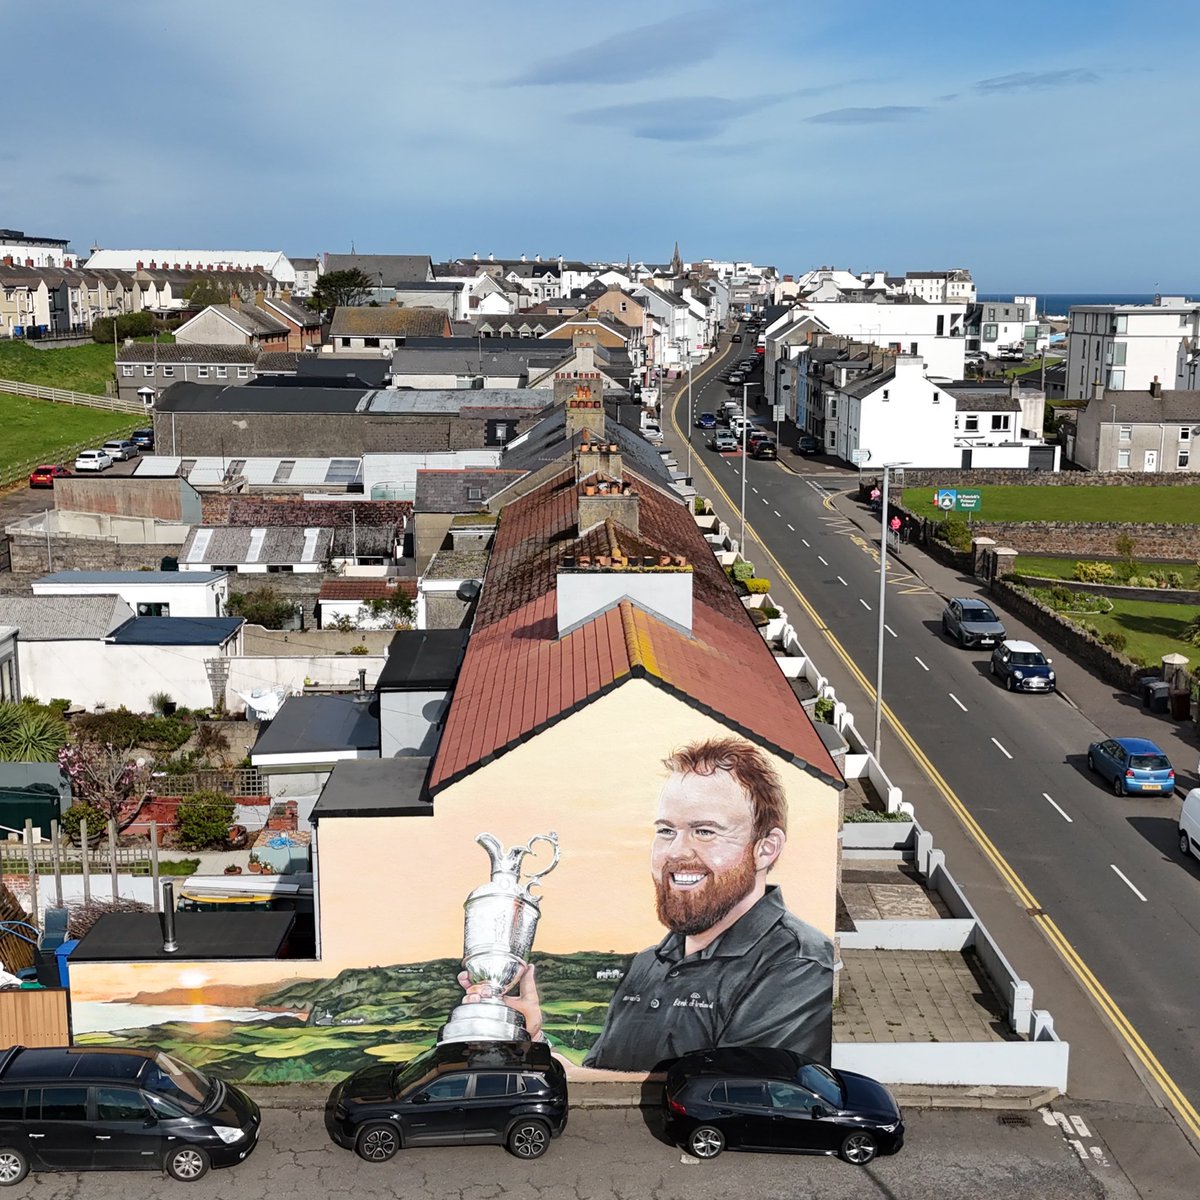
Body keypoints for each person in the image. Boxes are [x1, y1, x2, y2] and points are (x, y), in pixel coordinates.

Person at [461, 737, 834, 1071]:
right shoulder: (648, 965)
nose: (676, 851)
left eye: (705, 831)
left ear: (765, 849)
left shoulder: (798, 965)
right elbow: (600, 1079)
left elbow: (729, 1097)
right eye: (666, 830)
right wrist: (533, 1037)